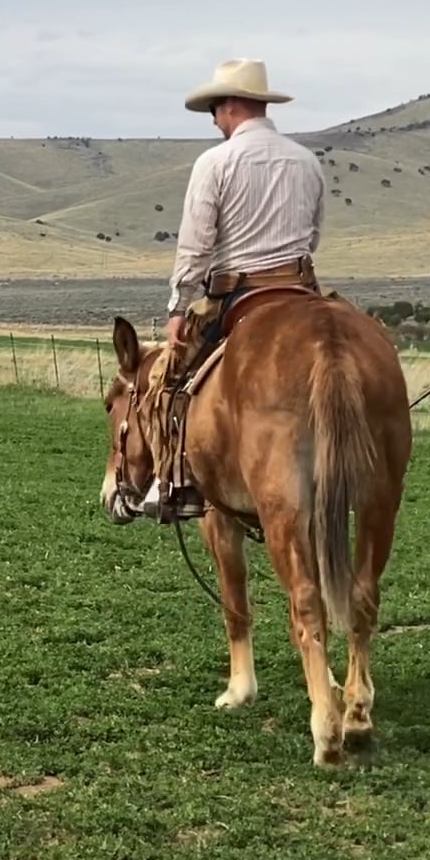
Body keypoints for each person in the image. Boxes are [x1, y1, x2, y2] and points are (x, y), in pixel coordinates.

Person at [147, 58, 327, 523]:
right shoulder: (307, 161)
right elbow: (313, 236)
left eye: (213, 110)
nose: (212, 120)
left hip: (236, 295)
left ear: (229, 108)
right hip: (301, 289)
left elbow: (195, 245)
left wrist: (178, 306)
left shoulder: (216, 162)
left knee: (169, 380)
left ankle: (177, 481)